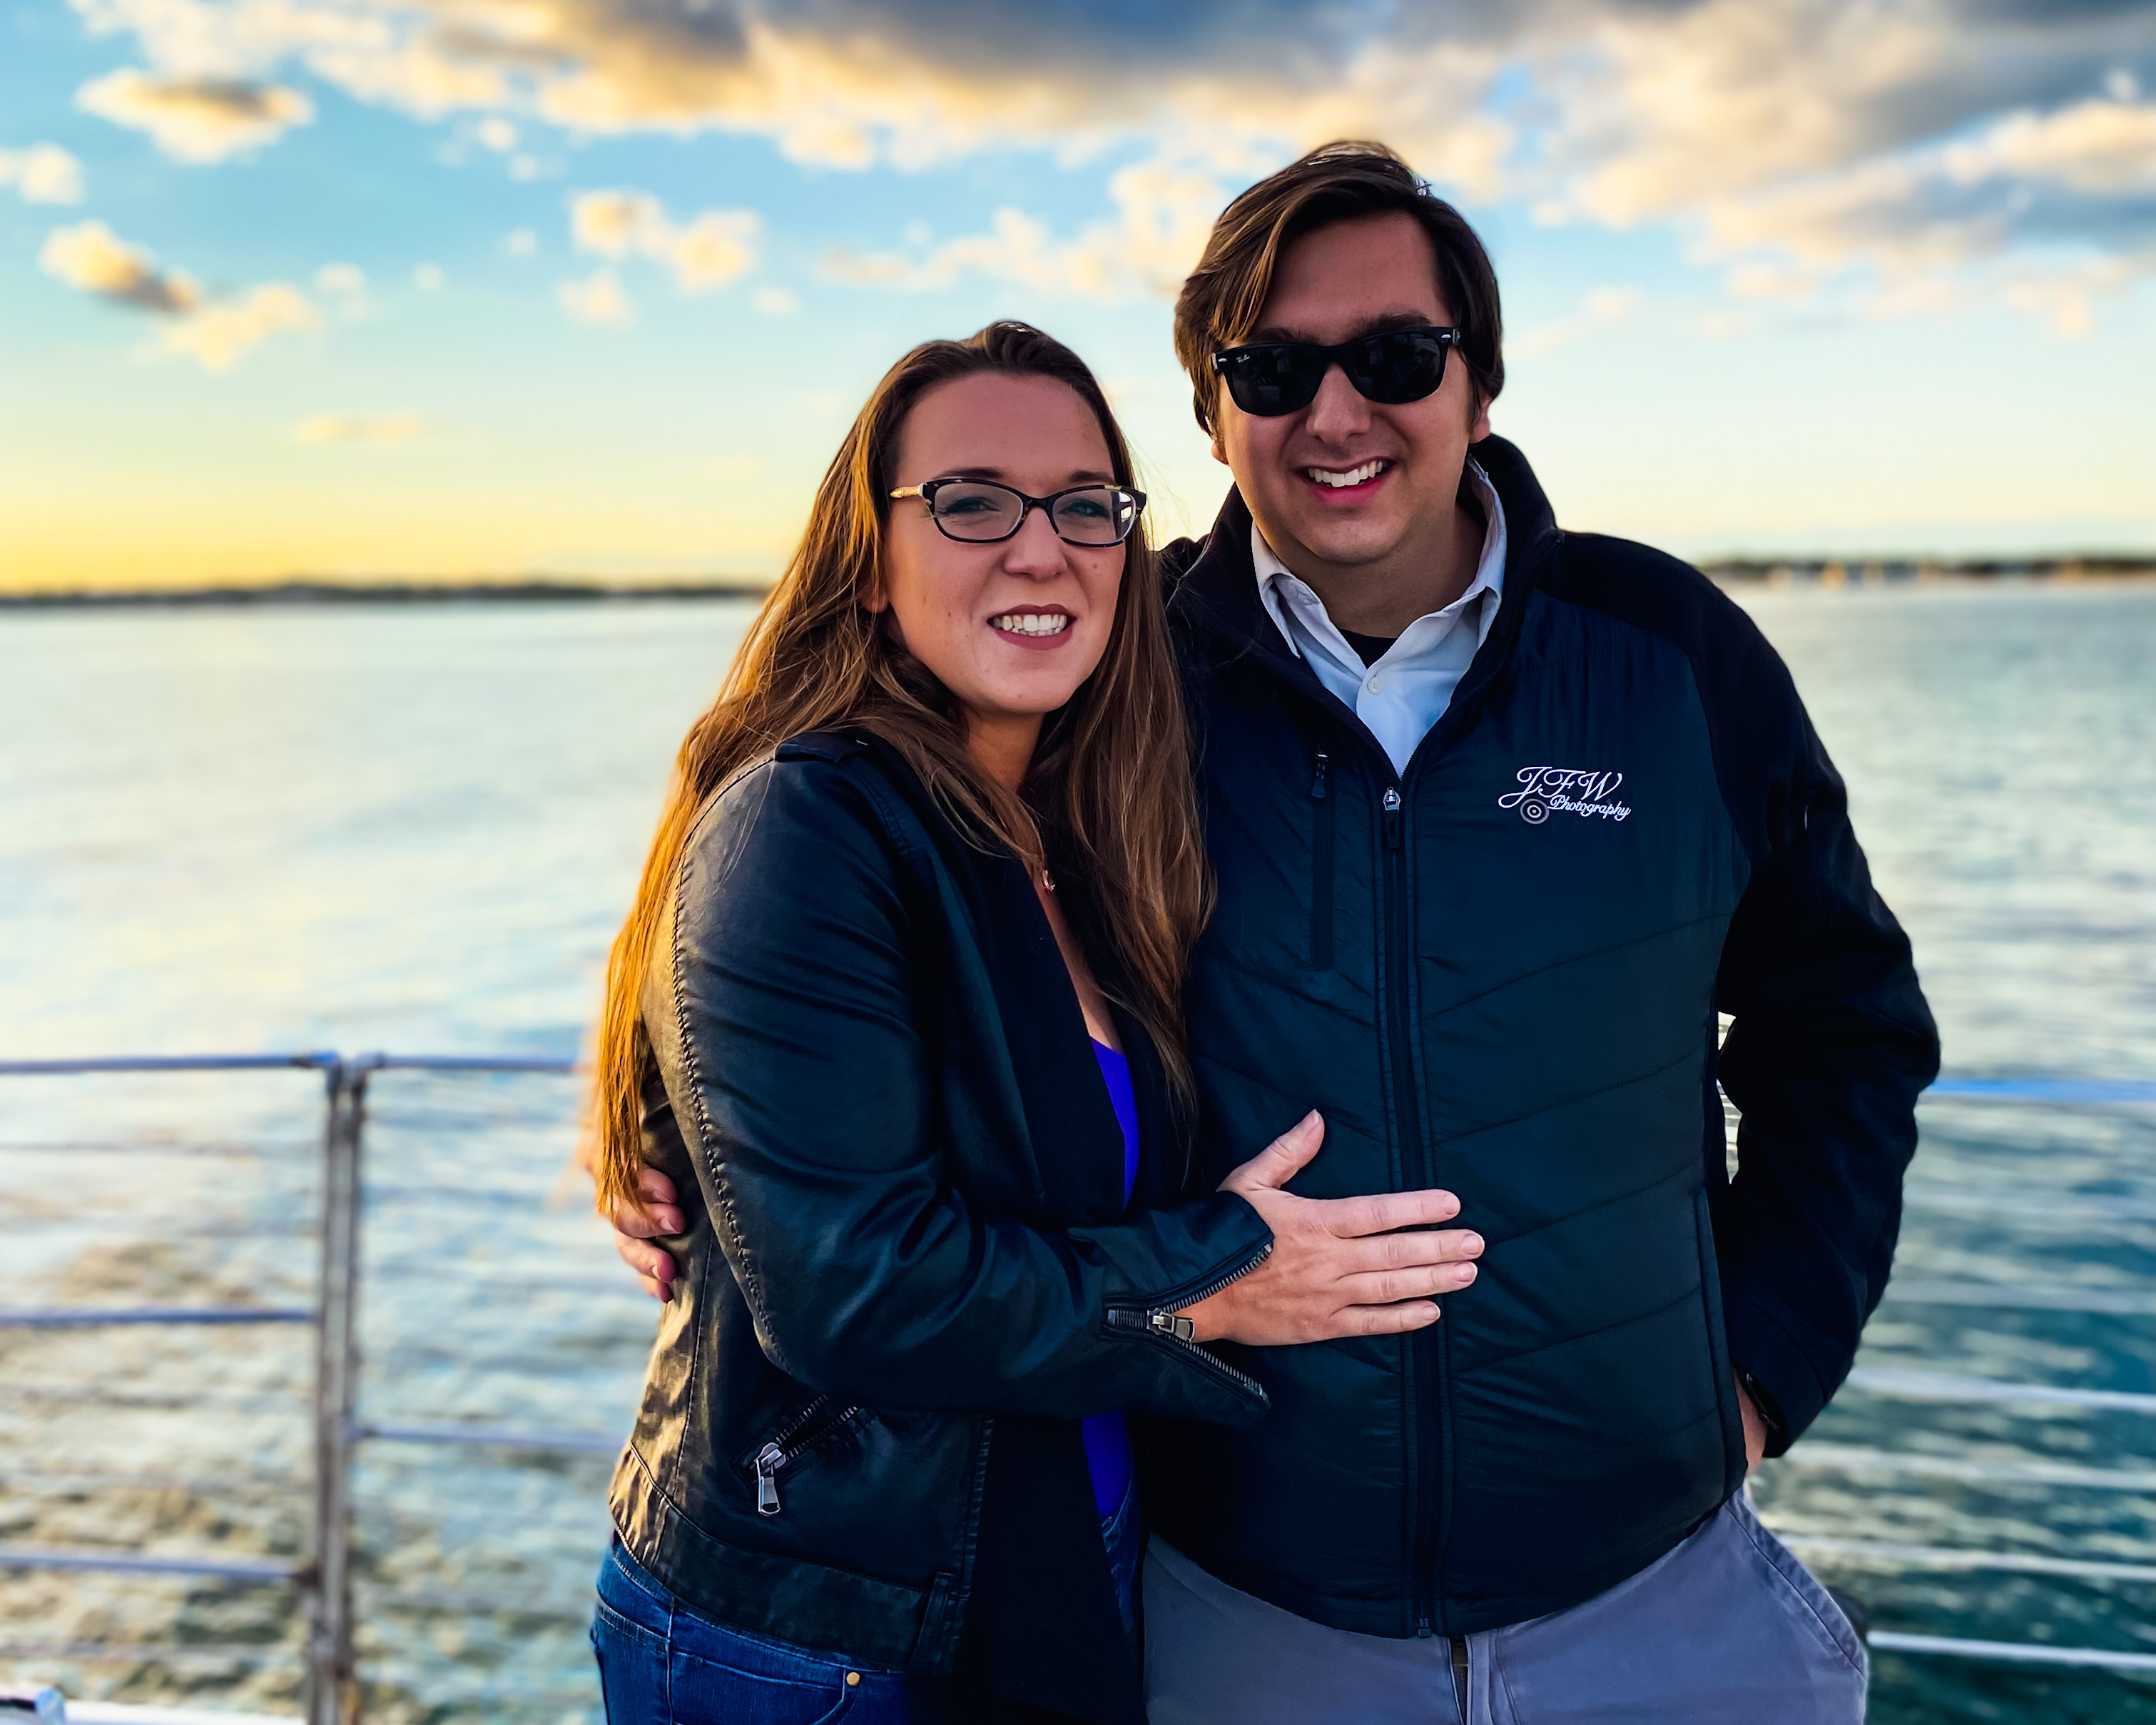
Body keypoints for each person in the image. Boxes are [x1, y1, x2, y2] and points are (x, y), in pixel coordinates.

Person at [609, 146, 1941, 1723]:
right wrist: (662, 1120)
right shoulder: (1120, 671)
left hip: (1650, 1586)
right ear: (1212, 415)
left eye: (1395, 356)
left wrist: (1759, 1371)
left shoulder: (1667, 658)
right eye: (1273, 369)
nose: (1336, 412)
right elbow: (804, 860)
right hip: (1239, 1604)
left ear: (1478, 384)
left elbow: (1841, 1031)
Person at [579, 319, 1483, 1725]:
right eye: (970, 503)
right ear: (867, 561)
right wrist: (1216, 1283)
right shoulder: (810, 825)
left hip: (1059, 1549)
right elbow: (850, 1290)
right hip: (828, 1624)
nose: (1038, 550)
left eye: (1082, 506)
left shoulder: (1070, 827)